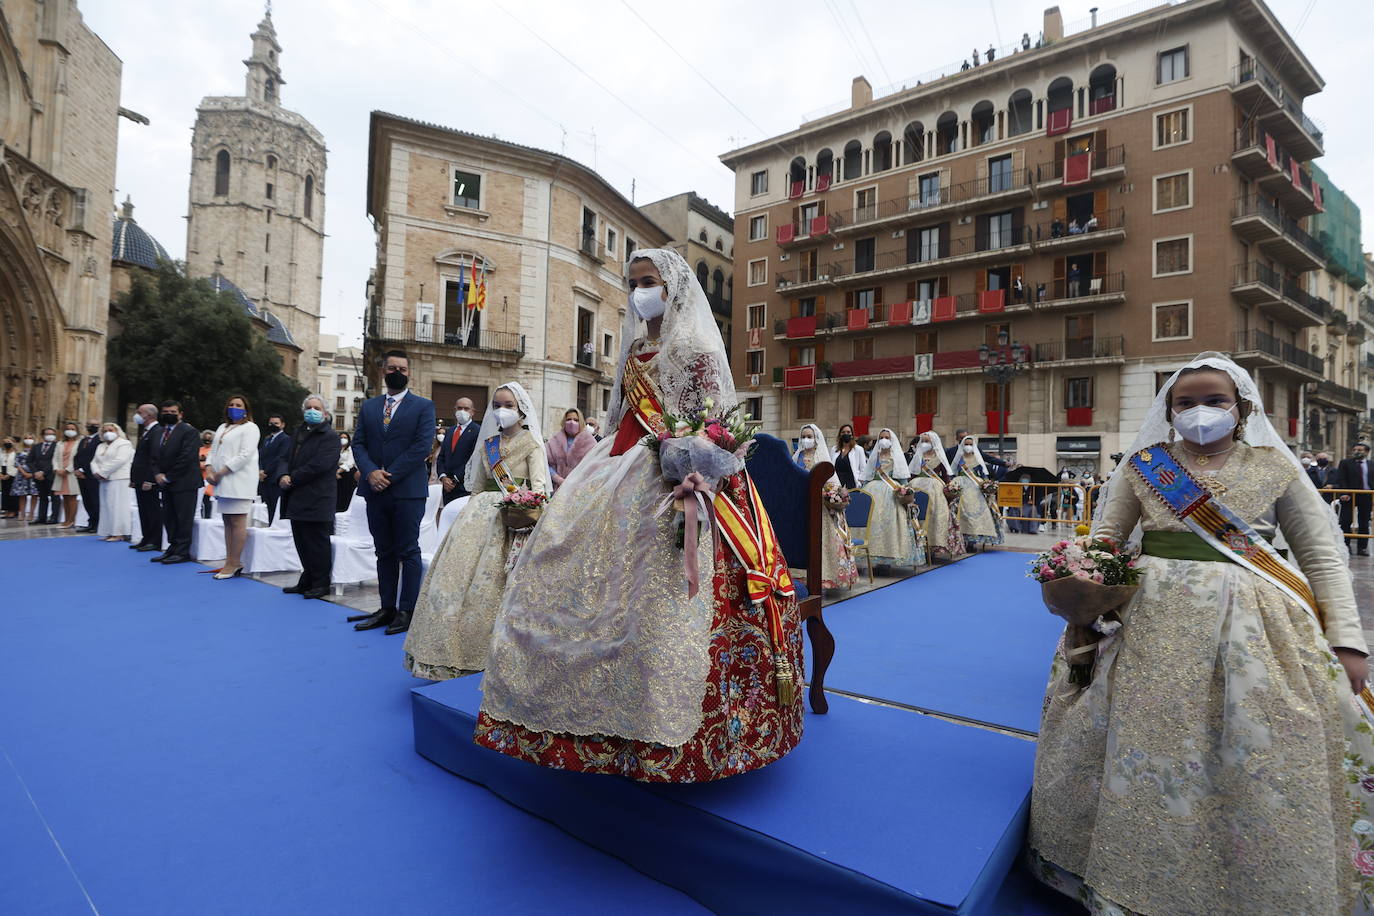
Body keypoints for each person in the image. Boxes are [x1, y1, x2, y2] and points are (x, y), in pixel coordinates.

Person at [1029, 352, 1374, 915]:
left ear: (1241, 408)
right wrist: (1076, 582)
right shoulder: (1144, 466)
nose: (1200, 411)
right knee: (1150, 742)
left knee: (1252, 746)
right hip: (1146, 623)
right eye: (1185, 402)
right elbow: (1108, 539)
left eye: (1215, 400)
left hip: (1254, 628)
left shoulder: (1276, 468)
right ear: (1168, 410)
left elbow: (1323, 557)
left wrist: (1349, 640)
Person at [474, 248, 803, 783]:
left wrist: (692, 457)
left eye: (647, 281)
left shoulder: (694, 346)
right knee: (568, 562)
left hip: (686, 476)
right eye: (632, 282)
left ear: (671, 289)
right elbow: (620, 420)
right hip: (620, 469)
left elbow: (717, 420)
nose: (638, 291)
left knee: (661, 597)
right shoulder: (633, 351)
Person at [404, 382, 550, 678]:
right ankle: (450, 655)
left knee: (495, 586)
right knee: (456, 582)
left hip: (512, 518)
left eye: (508, 405)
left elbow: (538, 488)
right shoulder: (488, 445)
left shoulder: (532, 444)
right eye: (497, 405)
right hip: (477, 518)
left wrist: (527, 509)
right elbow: (478, 484)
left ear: (521, 409)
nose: (501, 410)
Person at [345, 350, 436, 636]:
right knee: (383, 550)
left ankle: (407, 610)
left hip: (407, 491)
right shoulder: (370, 407)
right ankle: (386, 607)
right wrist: (371, 472)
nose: (398, 371)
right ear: (384, 371)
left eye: (403, 368)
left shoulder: (423, 406)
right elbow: (358, 444)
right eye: (392, 367)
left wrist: (389, 475)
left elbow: (422, 447)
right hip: (375, 490)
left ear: (409, 373)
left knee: (408, 550)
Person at [276, 395, 342, 598]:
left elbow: (321, 465)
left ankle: (321, 583)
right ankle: (308, 578)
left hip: (317, 497)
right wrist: (282, 474)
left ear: (325, 413)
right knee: (301, 540)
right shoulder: (298, 432)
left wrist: (292, 478)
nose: (312, 411)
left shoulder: (330, 436)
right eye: (309, 407)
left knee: (317, 542)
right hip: (296, 496)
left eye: (316, 408)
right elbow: (285, 457)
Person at [792, 424, 859, 590]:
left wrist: (830, 495)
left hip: (820, 506)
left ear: (816, 439)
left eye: (809, 436)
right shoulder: (797, 456)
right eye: (803, 437)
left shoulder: (821, 456)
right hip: (801, 505)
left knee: (823, 539)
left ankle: (825, 577)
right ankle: (799, 577)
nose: (806, 440)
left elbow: (832, 482)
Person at [205, 395, 261, 579]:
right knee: (227, 522)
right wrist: (209, 469)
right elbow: (213, 451)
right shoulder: (223, 427)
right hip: (222, 482)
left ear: (246, 410)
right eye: (231, 404)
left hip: (239, 481)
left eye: (238, 405)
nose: (234, 407)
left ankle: (234, 562)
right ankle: (230, 560)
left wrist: (220, 473)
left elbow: (245, 455)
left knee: (237, 522)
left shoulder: (250, 428)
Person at [858, 427, 925, 568]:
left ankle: (887, 559)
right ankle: (872, 557)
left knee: (890, 524)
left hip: (891, 493)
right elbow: (867, 476)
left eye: (887, 437)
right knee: (872, 523)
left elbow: (902, 478)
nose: (884, 440)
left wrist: (905, 491)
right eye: (881, 437)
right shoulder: (874, 456)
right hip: (872, 492)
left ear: (891, 440)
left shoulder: (897, 456)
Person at [148, 400, 200, 565]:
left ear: (180, 414)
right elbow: (153, 456)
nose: (168, 414)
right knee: (169, 517)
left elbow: (187, 457)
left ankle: (182, 551)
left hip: (184, 482)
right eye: (165, 412)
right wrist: (157, 474)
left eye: (172, 412)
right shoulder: (159, 432)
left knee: (183, 518)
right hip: (165, 483)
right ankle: (172, 547)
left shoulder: (189, 432)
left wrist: (169, 476)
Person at [908, 431, 964, 561]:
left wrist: (950, 488)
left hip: (935, 490)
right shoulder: (918, 457)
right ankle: (917, 546)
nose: (925, 444)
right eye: (923, 441)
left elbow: (946, 476)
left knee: (936, 516)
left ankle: (934, 546)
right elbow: (912, 474)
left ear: (934, 443)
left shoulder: (939, 457)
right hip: (917, 487)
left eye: (927, 441)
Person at [951, 435, 1004, 549]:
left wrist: (987, 485)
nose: (968, 447)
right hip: (960, 485)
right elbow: (953, 472)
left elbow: (983, 474)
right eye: (966, 444)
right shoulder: (959, 459)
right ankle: (960, 538)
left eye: (970, 444)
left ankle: (973, 540)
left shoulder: (977, 458)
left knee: (978, 512)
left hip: (976, 487)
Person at [129, 404, 163, 553]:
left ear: (148, 415)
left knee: (152, 510)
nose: (137, 415)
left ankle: (154, 540)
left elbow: (155, 458)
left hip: (149, 480)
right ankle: (146, 537)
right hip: (139, 479)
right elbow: (140, 457)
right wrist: (134, 478)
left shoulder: (157, 431)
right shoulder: (146, 431)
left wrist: (150, 479)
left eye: (139, 412)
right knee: (143, 509)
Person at [91, 423, 134, 541]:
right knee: (106, 505)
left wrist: (103, 472)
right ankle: (109, 531)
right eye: (104, 431)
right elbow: (94, 461)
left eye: (110, 430)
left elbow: (120, 460)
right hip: (103, 480)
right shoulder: (101, 446)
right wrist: (96, 472)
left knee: (118, 505)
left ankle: (119, 533)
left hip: (119, 478)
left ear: (117, 431)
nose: (107, 433)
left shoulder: (124, 443)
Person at [435, 396, 480, 505]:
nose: (462, 411)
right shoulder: (450, 431)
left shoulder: (477, 431)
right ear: (455, 410)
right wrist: (443, 477)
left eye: (466, 408)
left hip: (463, 487)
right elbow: (441, 456)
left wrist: (455, 479)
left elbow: (474, 459)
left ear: (473, 412)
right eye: (459, 408)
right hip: (447, 488)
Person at [1335, 442, 1373, 556]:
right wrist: (1344, 493)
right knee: (1346, 521)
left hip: (1366, 495)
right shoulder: (1345, 463)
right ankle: (1346, 545)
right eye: (1355, 449)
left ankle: (1362, 548)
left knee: (1364, 522)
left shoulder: (1371, 464)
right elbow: (1342, 478)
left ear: (1366, 452)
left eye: (1360, 450)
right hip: (1349, 496)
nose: (1357, 452)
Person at [546, 407, 596, 490]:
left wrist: (575, 482)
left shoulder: (589, 441)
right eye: (569, 419)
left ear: (581, 422)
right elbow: (546, 462)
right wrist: (557, 479)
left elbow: (593, 466)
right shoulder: (555, 440)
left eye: (576, 420)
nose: (572, 422)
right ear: (564, 421)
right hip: (557, 488)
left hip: (579, 488)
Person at [257, 414, 292, 524]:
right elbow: (260, 455)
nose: (273, 426)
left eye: (276, 423)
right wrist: (259, 470)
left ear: (282, 425)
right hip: (264, 478)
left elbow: (280, 458)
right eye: (271, 423)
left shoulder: (286, 439)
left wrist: (265, 472)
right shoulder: (267, 439)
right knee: (266, 506)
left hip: (274, 478)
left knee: (275, 507)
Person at [52, 421, 81, 528]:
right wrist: (56, 469)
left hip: (71, 473)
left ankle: (71, 520)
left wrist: (68, 469)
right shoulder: (60, 444)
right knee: (64, 497)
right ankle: (66, 519)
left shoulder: (79, 443)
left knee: (72, 496)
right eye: (68, 428)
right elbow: (55, 458)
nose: (70, 431)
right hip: (60, 473)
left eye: (73, 429)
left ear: (77, 431)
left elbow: (78, 458)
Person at [74, 420, 101, 532]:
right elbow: (78, 456)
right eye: (89, 425)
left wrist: (84, 470)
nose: (91, 427)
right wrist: (77, 469)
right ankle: (90, 522)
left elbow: (95, 458)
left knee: (95, 500)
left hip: (92, 474)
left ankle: (97, 524)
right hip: (81, 475)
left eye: (94, 425)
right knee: (86, 500)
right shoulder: (84, 440)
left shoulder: (100, 440)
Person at [28, 427, 57, 524]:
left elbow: (55, 461)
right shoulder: (36, 446)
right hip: (38, 476)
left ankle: (54, 517)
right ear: (43, 435)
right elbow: (30, 461)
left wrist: (43, 472)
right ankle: (41, 517)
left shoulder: (57, 446)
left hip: (51, 475)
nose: (50, 436)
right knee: (42, 497)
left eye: (52, 434)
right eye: (47, 434)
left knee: (54, 497)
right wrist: (35, 472)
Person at [833, 423, 866, 489]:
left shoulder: (858, 449)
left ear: (852, 435)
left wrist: (860, 481)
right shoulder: (834, 449)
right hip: (837, 484)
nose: (846, 434)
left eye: (848, 432)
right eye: (843, 432)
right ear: (840, 435)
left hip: (852, 483)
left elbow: (863, 468)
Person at [12, 434, 37, 520]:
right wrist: (23, 472)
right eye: (26, 438)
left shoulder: (36, 450)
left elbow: (39, 462)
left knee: (34, 494)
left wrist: (32, 473)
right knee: (22, 495)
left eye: (30, 438)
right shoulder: (19, 450)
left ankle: (31, 513)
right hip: (22, 475)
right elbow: (16, 462)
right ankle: (21, 513)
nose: (28, 440)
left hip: (33, 474)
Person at [336, 432, 357, 512]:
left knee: (346, 494)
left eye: (345, 438)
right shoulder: (335, 448)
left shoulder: (351, 449)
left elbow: (350, 462)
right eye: (341, 437)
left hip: (348, 475)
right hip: (336, 475)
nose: (343, 439)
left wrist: (338, 471)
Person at [198, 430, 215, 519]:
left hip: (208, 478)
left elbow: (211, 464)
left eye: (209, 439)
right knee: (199, 501)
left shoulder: (214, 450)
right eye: (205, 439)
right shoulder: (199, 449)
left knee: (206, 499)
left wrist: (202, 463)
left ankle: (208, 517)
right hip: (199, 478)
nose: (207, 440)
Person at [0, 436, 17, 518]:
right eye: (5, 442)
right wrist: (1, 474)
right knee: (5, 493)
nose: (6, 444)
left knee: (12, 493)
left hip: (12, 474)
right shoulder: (2, 453)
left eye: (8, 442)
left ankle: (13, 510)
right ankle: (6, 510)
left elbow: (17, 465)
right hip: (3, 472)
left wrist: (9, 474)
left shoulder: (15, 453)